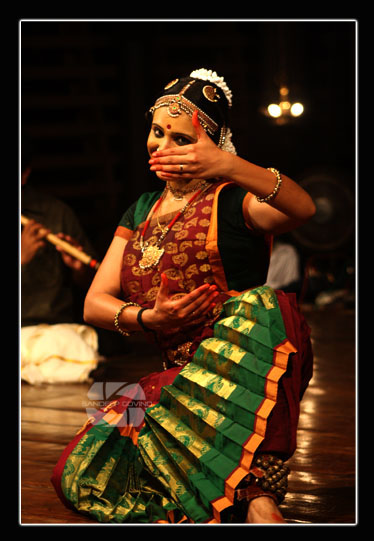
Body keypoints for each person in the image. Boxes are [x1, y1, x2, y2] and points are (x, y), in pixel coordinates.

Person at [51, 68, 315, 523]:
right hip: (177, 378)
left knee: (264, 305)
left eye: (180, 138)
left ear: (210, 144)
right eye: (157, 132)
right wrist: (147, 319)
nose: (161, 146)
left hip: (246, 370)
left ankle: (257, 499)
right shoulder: (141, 208)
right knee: (81, 459)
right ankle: (232, 491)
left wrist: (228, 166)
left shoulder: (234, 199)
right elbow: (95, 303)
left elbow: (303, 208)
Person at [21, 142, 100, 383]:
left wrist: (78, 269)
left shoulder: (57, 214)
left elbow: (91, 284)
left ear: (24, 174)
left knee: (68, 346)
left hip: (53, 329)